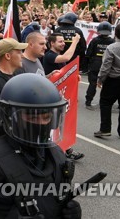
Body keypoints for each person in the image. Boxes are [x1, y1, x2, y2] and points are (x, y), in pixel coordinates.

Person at [0, 74, 82, 219]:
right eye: (33, 117)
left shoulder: (57, 156)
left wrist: (67, 212)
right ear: (10, 117)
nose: (41, 123)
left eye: (46, 117)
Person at [15, 31, 85, 161]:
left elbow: (39, 80)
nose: (45, 47)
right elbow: (20, 92)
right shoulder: (21, 65)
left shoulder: (36, 61)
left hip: (41, 116)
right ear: (30, 44)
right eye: (41, 44)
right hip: (30, 120)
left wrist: (49, 76)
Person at [85, 22, 114, 109]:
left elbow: (88, 54)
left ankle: (88, 102)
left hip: (95, 65)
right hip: (107, 66)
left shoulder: (94, 40)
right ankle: (105, 103)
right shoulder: (112, 41)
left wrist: (88, 66)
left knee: (92, 84)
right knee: (107, 86)